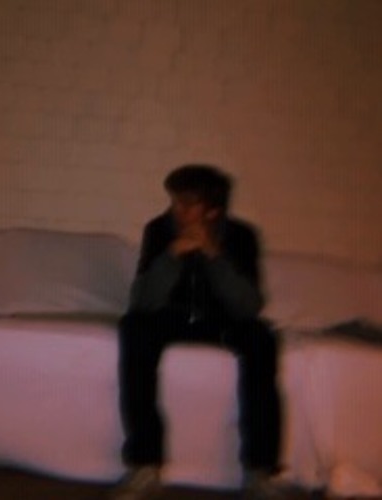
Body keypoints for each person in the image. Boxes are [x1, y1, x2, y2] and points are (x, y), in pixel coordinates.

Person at [111, 164, 283, 500]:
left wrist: (214, 256)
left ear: (213, 210)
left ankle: (261, 470)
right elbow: (142, 302)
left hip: (222, 321)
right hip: (171, 318)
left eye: (187, 204)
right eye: (175, 201)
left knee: (262, 338)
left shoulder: (242, 236)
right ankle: (145, 464)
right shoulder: (159, 230)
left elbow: (249, 306)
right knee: (133, 327)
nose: (177, 210)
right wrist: (171, 256)